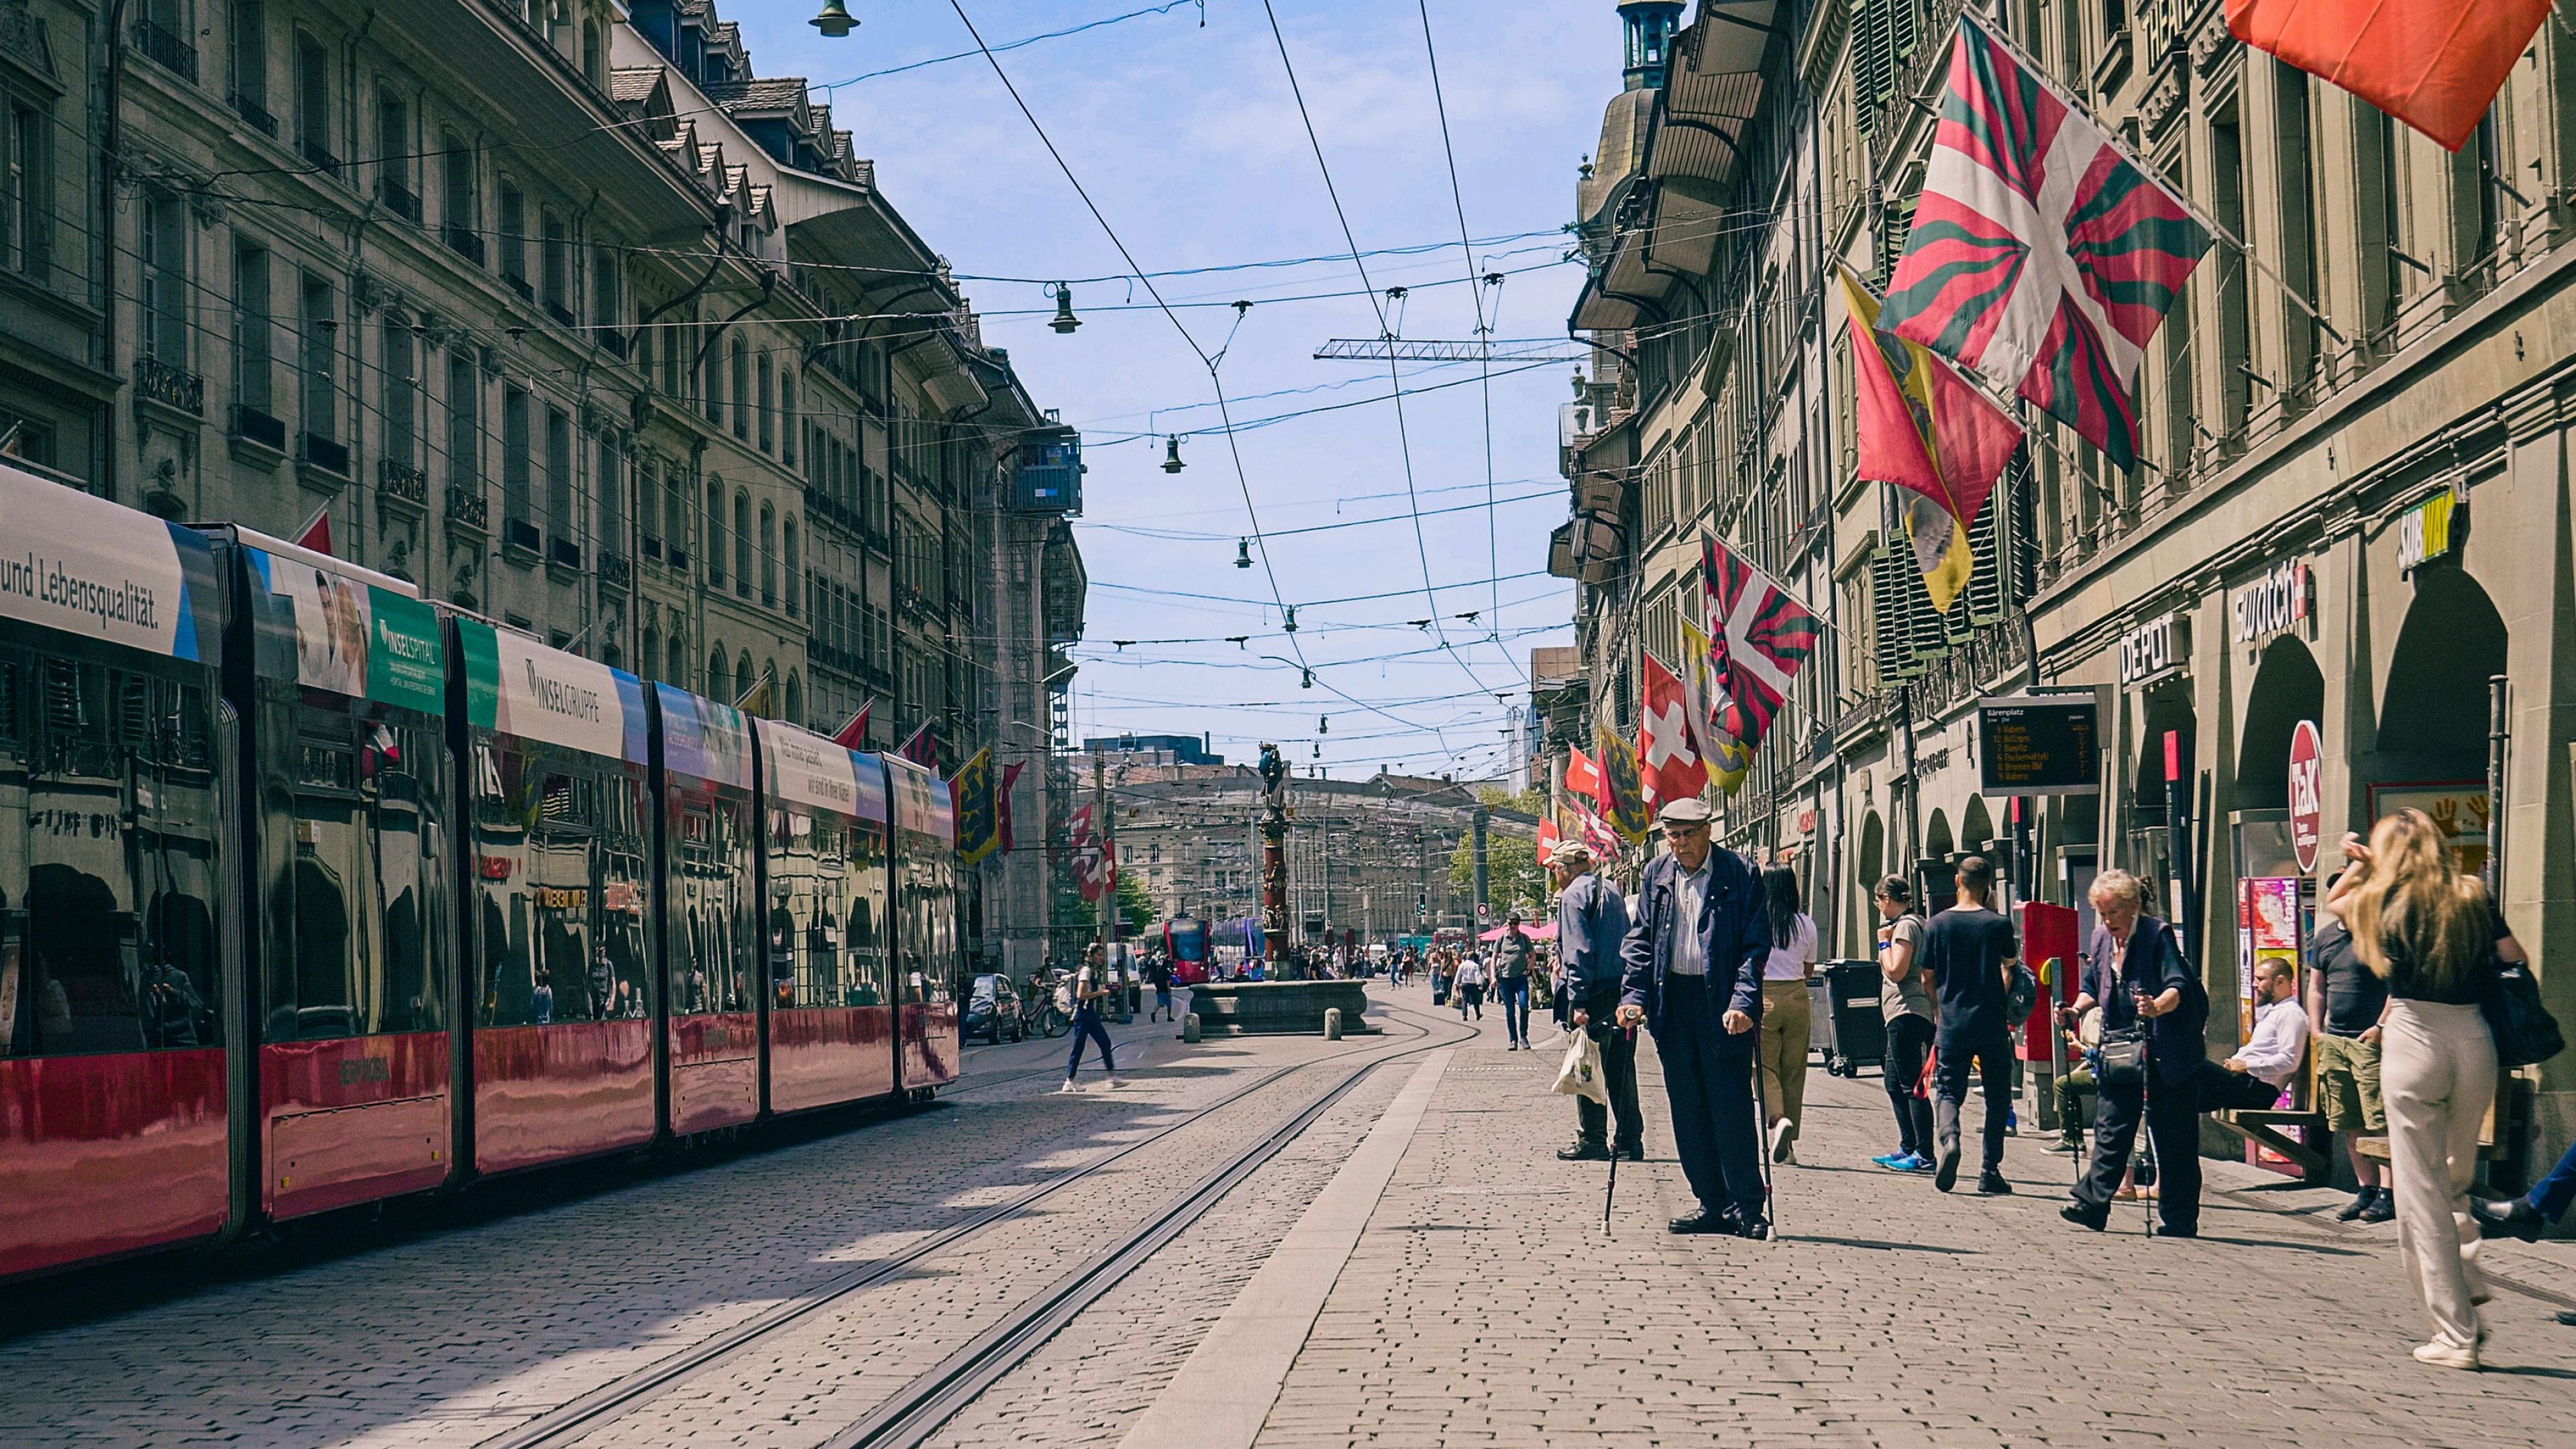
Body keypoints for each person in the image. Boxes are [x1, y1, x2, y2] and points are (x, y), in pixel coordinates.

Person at [2332, 812, 2516, 1370]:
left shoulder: (2378, 899)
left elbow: (2334, 904)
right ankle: (2465, 1279)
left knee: (2421, 1192)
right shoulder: (2471, 895)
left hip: (2413, 1037)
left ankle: (2455, 1333)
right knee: (2455, 1175)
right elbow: (2514, 959)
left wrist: (2358, 865)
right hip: (2473, 1038)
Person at [1617, 798, 1772, 1238]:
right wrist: (1633, 997)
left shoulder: (1739, 873)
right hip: (1674, 1003)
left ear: (1708, 831)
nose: (1681, 844)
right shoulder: (1656, 875)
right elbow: (1641, 941)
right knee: (1687, 1109)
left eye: (1689, 834)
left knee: (1731, 1108)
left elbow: (1754, 947)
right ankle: (1711, 1202)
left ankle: (1746, 1205)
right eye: (1673, 835)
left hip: (1722, 1003)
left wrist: (1743, 1002)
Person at [2060, 869, 2207, 1237]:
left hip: (2166, 1052)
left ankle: (2179, 1219)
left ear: (2133, 907)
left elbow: (2179, 984)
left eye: (2114, 913)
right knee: (2110, 1128)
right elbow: (2094, 984)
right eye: (2103, 913)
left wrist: (2158, 1006)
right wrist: (2076, 1010)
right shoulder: (2100, 940)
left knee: (2174, 1138)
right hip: (2121, 1051)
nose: (2108, 922)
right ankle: (2091, 1205)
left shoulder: (2156, 935)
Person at [1923, 855, 2020, 1195]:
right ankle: (1989, 1170)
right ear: (1988, 885)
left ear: (1957, 882)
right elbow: (2010, 967)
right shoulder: (1998, 925)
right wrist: (2000, 992)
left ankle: (1949, 1139)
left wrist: (1938, 1010)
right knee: (1998, 1097)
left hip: (1952, 1022)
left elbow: (1927, 976)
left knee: (1949, 1091)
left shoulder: (1937, 924)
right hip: (1991, 1021)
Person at [2306, 886, 2394, 1222]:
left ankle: (2388, 1193)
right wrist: (2317, 1029)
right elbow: (2317, 986)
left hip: (2370, 1042)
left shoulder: (2379, 935)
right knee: (2348, 1119)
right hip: (2335, 1041)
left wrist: (2380, 1027)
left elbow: (2395, 986)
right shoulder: (2325, 937)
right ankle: (2366, 1189)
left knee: (2378, 1118)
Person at [1550, 842, 1640, 1163]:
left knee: (1586, 1064)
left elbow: (1579, 952)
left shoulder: (1573, 896)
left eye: (1554, 869)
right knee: (1622, 1069)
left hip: (1595, 994)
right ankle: (1630, 1138)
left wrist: (1578, 1001)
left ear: (1565, 868)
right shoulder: (1613, 889)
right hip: (1621, 991)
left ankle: (1594, 1138)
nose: (1554, 875)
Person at [1870, 876, 1937, 1173]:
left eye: (1878, 900)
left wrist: (1883, 942)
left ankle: (1924, 1153)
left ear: (1887, 898)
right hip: (1902, 1013)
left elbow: (1897, 970)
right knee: (1893, 1082)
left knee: (1911, 1086)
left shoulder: (1907, 926)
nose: (1878, 907)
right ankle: (1908, 1146)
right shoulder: (1915, 922)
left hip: (1907, 1011)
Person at [1756, 865, 1817, 1166]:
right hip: (1796, 997)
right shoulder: (1805, 924)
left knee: (1764, 1067)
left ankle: (1778, 1119)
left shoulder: (1757, 922)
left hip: (1763, 996)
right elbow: (1808, 969)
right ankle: (1789, 1148)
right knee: (1794, 1072)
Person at [2198, 955, 2308, 1112]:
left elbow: (2290, 1061)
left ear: (2280, 981)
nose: (2254, 985)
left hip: (2256, 1090)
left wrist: (2247, 1065)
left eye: (2260, 979)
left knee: (2191, 1064)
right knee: (2181, 1094)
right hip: (2245, 1084)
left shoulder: (2291, 1014)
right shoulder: (2275, 1012)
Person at [1063, 944, 1126, 1092]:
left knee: (1105, 1042)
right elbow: (1081, 995)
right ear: (1091, 956)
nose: (1101, 958)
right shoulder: (1086, 971)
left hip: (1089, 1014)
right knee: (1079, 1046)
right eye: (1098, 955)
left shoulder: (1092, 971)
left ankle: (1111, 1077)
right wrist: (1100, 993)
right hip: (1083, 1014)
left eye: (1101, 955)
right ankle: (1070, 1080)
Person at [1495, 914, 1536, 1050]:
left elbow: (1533, 955)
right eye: (1510, 924)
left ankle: (1524, 1037)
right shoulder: (1502, 939)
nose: (1512, 926)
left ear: (1519, 924)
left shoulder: (1524, 938)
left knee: (1524, 1006)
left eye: (1515, 924)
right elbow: (1494, 957)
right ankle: (1513, 1039)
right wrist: (1493, 978)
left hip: (1521, 978)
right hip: (1506, 979)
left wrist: (1528, 968)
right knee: (1510, 1011)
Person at [1454, 950, 1487, 1020]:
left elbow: (1458, 975)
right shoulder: (1475, 965)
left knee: (1465, 1000)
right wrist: (1480, 984)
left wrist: (1456, 983)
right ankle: (1478, 1015)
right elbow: (1477, 975)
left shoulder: (1462, 965)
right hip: (1473, 985)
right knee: (1475, 1001)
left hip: (1465, 984)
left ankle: (1464, 1015)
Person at [1146, 955, 1175, 1024]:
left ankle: (1154, 1012)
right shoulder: (1167, 972)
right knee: (1169, 1004)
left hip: (1159, 990)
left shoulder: (1159, 972)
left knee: (1159, 1004)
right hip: (1165, 990)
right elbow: (1167, 982)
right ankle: (1169, 1016)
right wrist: (1169, 990)